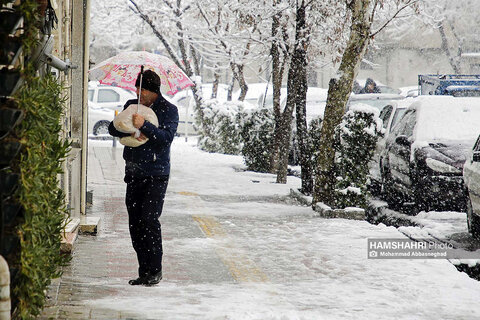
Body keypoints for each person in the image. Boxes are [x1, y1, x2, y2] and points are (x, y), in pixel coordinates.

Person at [108, 69, 179, 286]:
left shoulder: (169, 110)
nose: (137, 92)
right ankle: (144, 271)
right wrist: (126, 128)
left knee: (149, 220)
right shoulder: (132, 104)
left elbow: (165, 138)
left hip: (156, 174)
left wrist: (144, 125)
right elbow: (113, 129)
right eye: (136, 88)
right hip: (134, 172)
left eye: (142, 89)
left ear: (152, 90)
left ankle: (155, 270)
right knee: (135, 223)